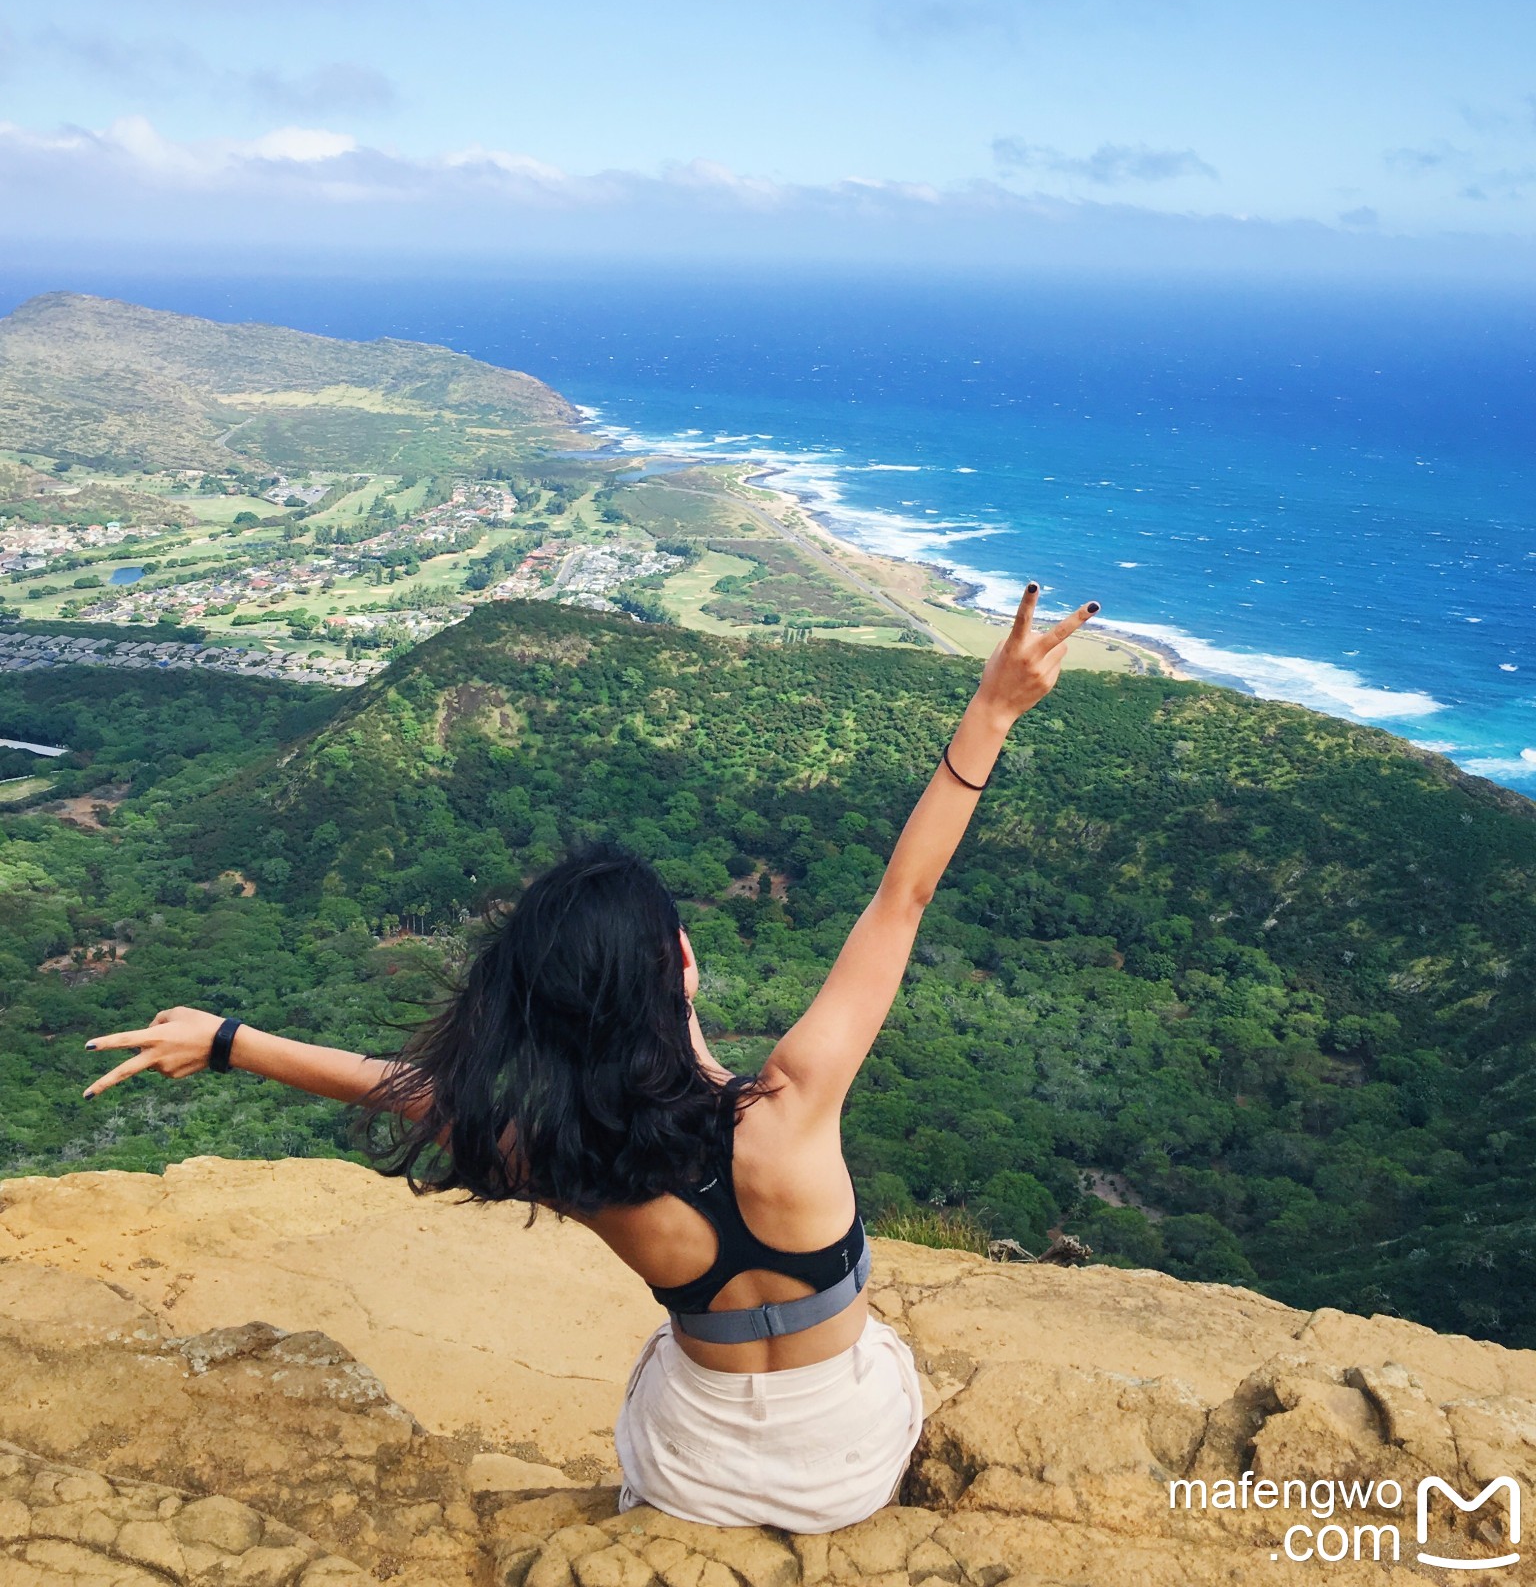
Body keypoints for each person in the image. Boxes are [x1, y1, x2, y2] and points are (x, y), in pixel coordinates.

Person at [82, 583, 1098, 1534]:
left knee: (670, 1363)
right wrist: (992, 713)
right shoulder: (796, 1103)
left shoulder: (572, 1162)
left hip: (692, 1479)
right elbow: (902, 896)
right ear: (684, 965)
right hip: (850, 1470)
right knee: (869, 1355)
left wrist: (229, 1042)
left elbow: (408, 1092)